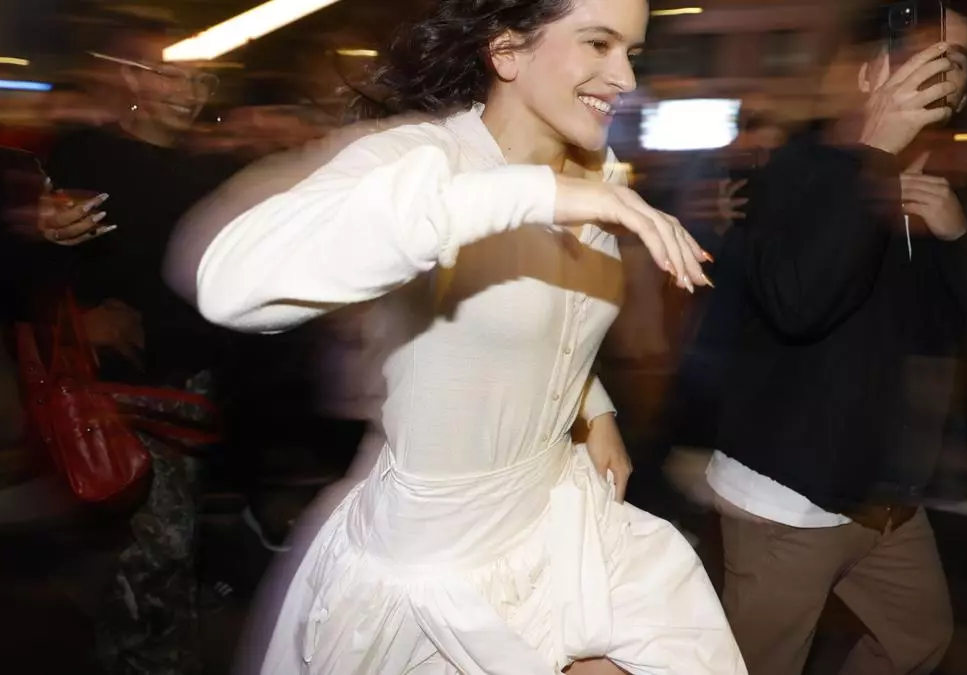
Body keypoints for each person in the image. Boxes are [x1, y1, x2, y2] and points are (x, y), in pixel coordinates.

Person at [181, 1, 744, 674]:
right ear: (506, 52)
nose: (624, 76)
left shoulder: (598, 166)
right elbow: (231, 284)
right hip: (439, 564)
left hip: (553, 509)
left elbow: (541, 313)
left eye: (632, 52)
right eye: (598, 44)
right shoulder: (424, 158)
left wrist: (592, 409)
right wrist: (533, 194)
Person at [708, 2, 967, 674]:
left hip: (883, 497)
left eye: (958, 62)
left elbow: (946, 332)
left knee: (917, 639)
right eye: (925, 53)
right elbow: (799, 305)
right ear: (870, 74)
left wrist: (954, 238)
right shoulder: (796, 170)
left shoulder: (930, 188)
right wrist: (875, 154)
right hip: (789, 497)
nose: (944, 73)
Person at [36, 19, 240, 675]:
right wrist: (76, 306)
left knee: (166, 541)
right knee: (159, 542)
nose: (190, 93)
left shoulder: (216, 168)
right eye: (172, 77)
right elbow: (31, 259)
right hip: (119, 384)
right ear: (132, 79)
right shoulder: (84, 157)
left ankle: (150, 645)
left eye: (202, 80)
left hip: (194, 378)